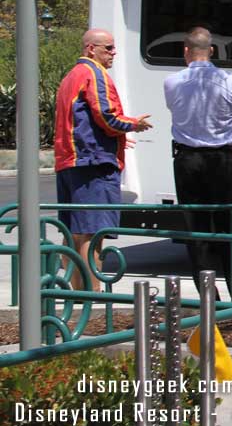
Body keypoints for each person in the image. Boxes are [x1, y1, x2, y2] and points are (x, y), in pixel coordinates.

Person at [54, 29, 152, 290]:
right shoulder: (93, 74)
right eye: (108, 48)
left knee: (75, 231)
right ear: (90, 49)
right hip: (92, 164)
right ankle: (92, 294)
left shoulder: (70, 77)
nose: (114, 53)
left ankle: (79, 293)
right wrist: (132, 125)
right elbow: (106, 116)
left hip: (72, 161)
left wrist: (118, 139)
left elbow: (84, 121)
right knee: (91, 231)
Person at [164, 27, 232, 302]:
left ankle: (208, 296)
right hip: (222, 159)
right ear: (212, 50)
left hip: (187, 160)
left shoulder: (172, 82)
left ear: (185, 51)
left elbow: (173, 109)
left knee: (197, 230)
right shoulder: (231, 80)